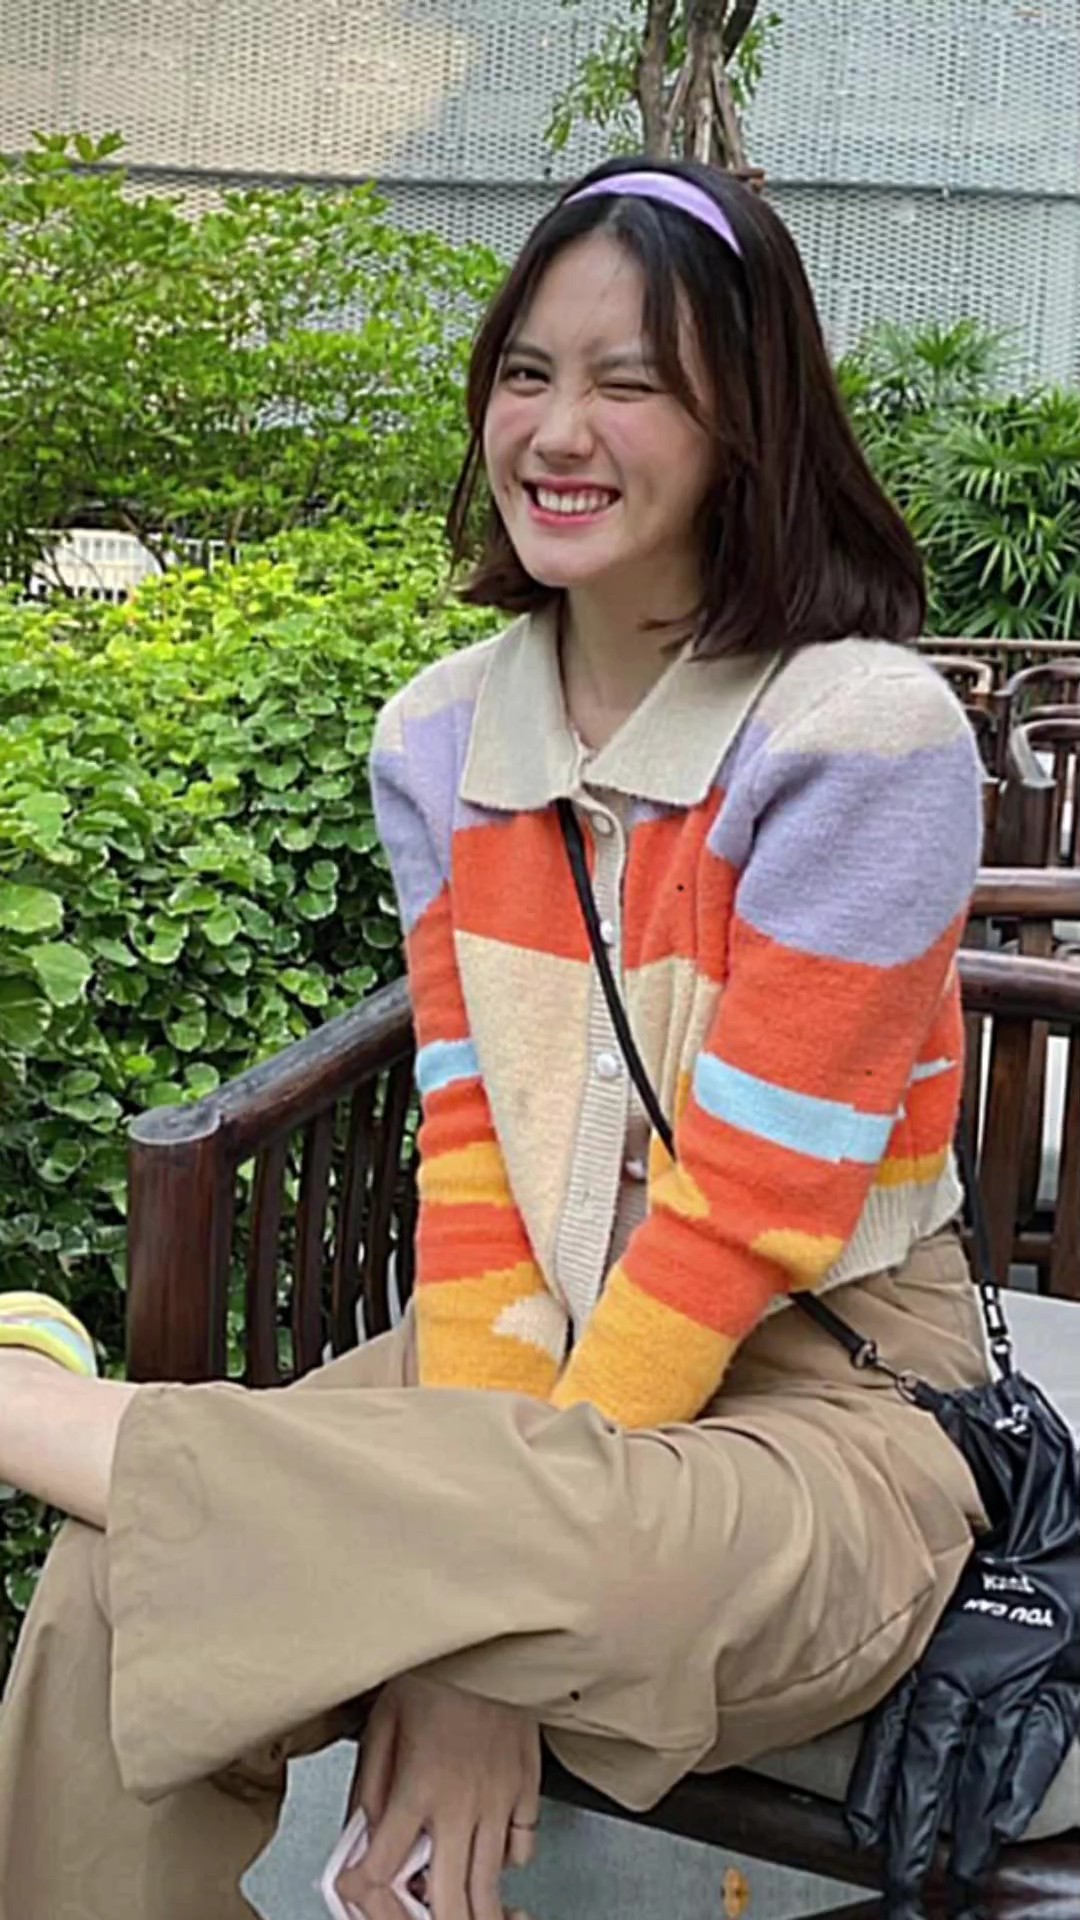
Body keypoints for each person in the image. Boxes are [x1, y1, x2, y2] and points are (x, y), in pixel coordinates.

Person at [0, 156, 991, 1920]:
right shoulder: (441, 741)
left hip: (826, 1395)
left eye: (632, 382)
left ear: (748, 424)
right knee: (105, 1591)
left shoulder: (863, 736)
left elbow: (746, 1220)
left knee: (524, 1550)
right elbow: (470, 1161)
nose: (558, 429)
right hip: (525, 1352)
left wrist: (464, 1637)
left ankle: (35, 1408)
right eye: (527, 372)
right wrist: (472, 1518)